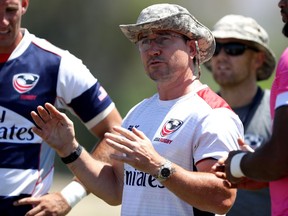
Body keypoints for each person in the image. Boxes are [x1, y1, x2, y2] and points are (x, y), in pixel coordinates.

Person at [26, 3, 245, 216]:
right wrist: (70, 149)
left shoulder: (212, 114)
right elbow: (116, 191)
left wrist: (158, 166)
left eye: (163, 39)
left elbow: (222, 198)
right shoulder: (138, 112)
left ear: (191, 47)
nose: (152, 49)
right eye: (144, 41)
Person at [0, 0, 122, 215]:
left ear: (24, 5)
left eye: (10, 10)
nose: (3, 21)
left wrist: (70, 195)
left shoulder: (56, 64)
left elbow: (115, 131)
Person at [212, 1, 288, 215]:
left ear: (258, 59)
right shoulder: (196, 113)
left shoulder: (277, 111)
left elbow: (280, 160)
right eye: (216, 48)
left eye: (234, 49)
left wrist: (243, 166)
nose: (222, 56)